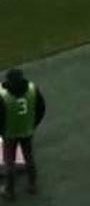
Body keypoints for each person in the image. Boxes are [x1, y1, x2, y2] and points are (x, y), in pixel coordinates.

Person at [0, 70, 43, 200]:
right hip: (27, 131)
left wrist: (2, 131)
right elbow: (41, 109)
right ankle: (32, 185)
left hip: (9, 133)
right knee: (29, 157)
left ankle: (10, 191)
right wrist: (33, 124)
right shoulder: (32, 89)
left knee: (9, 162)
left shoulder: (3, 96)